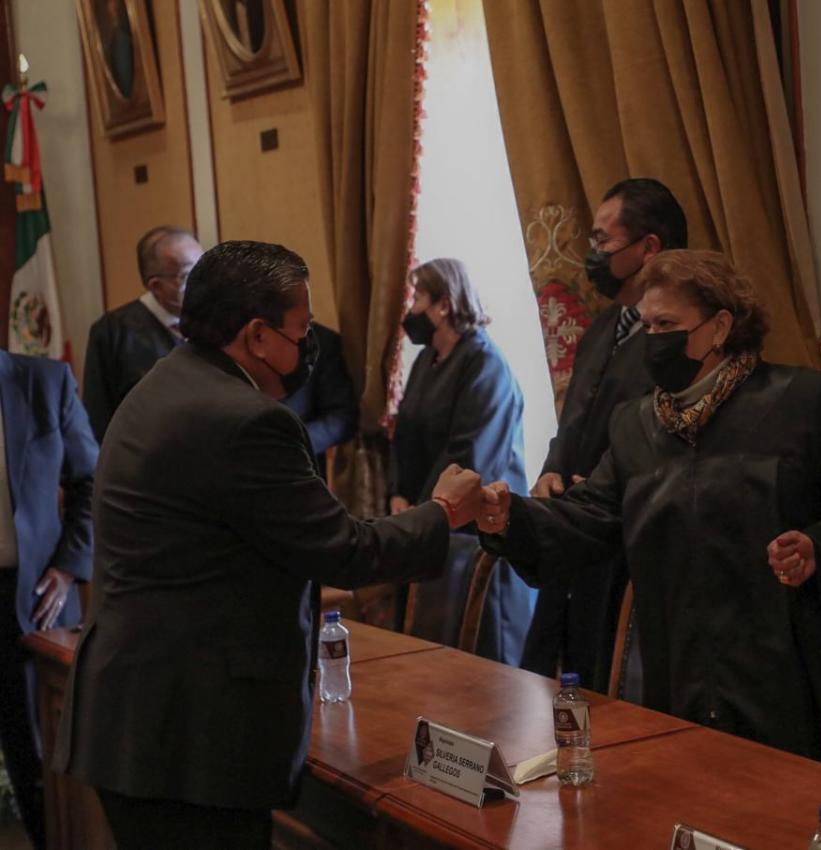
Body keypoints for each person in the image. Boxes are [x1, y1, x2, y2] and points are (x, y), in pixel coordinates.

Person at [54, 241, 484, 849]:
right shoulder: (245, 419)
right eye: (301, 330)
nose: (307, 347)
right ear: (257, 335)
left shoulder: (167, 381)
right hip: (189, 737)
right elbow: (344, 550)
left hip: (140, 716)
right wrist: (443, 512)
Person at [480, 250, 821, 756]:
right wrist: (508, 516)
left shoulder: (804, 400)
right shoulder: (636, 424)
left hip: (788, 675)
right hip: (678, 675)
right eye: (646, 325)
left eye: (666, 324)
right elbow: (588, 517)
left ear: (720, 327)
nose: (652, 339)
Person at [521, 177, 687, 689]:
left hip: (626, 538)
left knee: (612, 685)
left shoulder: (675, 338)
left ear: (648, 247)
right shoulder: (601, 327)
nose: (592, 253)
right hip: (575, 527)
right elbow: (574, 418)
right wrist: (551, 470)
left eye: (602, 240)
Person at [388, 258, 533, 665]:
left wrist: (424, 511)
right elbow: (405, 433)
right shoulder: (427, 360)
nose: (412, 309)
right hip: (430, 520)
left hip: (476, 530)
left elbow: (470, 454)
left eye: (418, 298)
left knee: (480, 656)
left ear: (444, 305)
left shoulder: (486, 364)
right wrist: (399, 493)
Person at [0, 350, 97, 850]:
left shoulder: (43, 383)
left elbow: (92, 482)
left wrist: (67, 567)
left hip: (36, 600)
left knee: (44, 765)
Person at [82, 225, 203, 442]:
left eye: (203, 268)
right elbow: (98, 416)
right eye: (187, 274)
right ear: (156, 286)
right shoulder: (113, 332)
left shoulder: (217, 320)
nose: (201, 282)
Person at [282, 322, 358, 480]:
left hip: (296, 476)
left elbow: (342, 418)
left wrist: (291, 446)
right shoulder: (230, 341)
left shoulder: (320, 341)